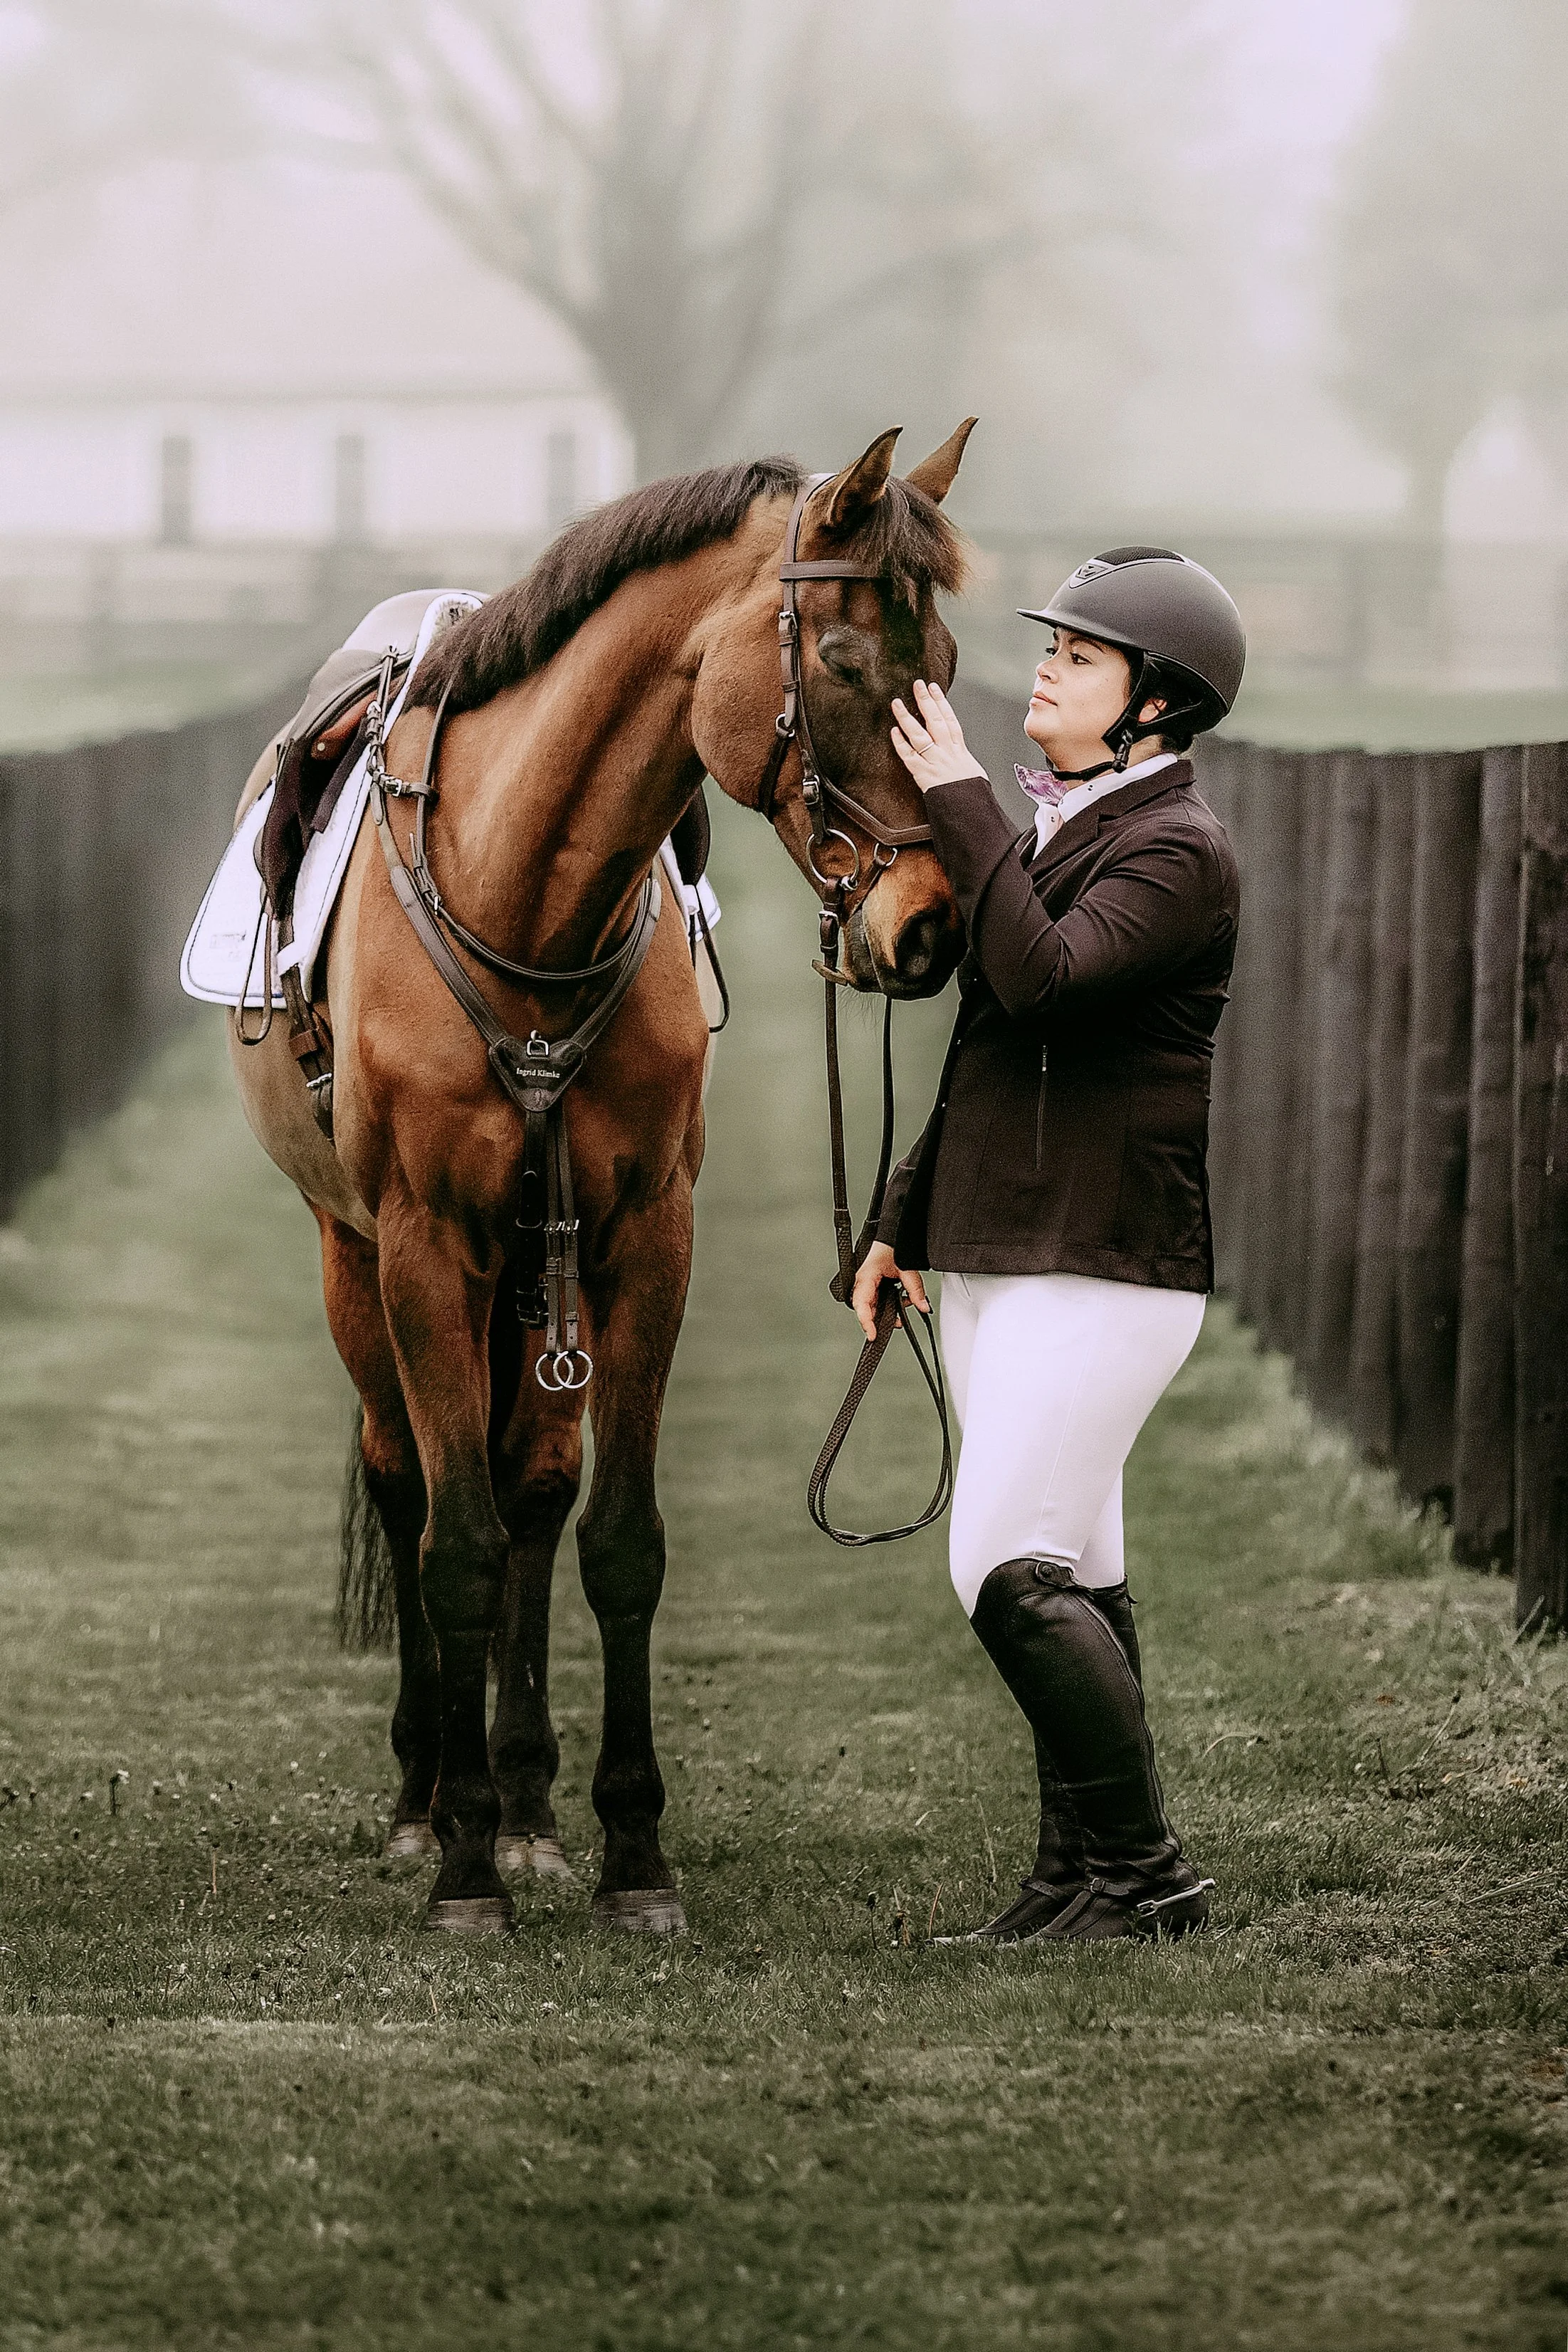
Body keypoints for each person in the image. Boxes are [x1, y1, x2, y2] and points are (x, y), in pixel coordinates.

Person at [853, 546, 1245, 1943]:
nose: (1050, 667)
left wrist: (959, 798)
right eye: (1058, 646)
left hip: (1106, 1262)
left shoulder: (1176, 850)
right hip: (1010, 1249)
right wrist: (900, 1222)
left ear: (1158, 703)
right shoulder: (1086, 824)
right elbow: (992, 1039)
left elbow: (1040, 975)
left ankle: (1148, 1879)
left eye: (1084, 655)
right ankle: (1078, 1876)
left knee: (1002, 1569)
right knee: (1076, 1570)